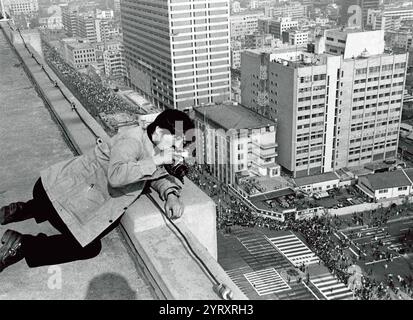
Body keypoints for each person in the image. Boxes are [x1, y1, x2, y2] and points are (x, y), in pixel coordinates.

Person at [0, 109, 195, 272]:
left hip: (57, 188)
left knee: (54, 204)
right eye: (176, 139)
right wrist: (158, 160)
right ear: (159, 132)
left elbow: (154, 175)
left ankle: (16, 211)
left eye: (182, 141)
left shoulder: (153, 145)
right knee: (87, 247)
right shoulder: (132, 141)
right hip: (61, 193)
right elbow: (118, 176)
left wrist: (170, 194)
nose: (178, 146)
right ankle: (22, 245)